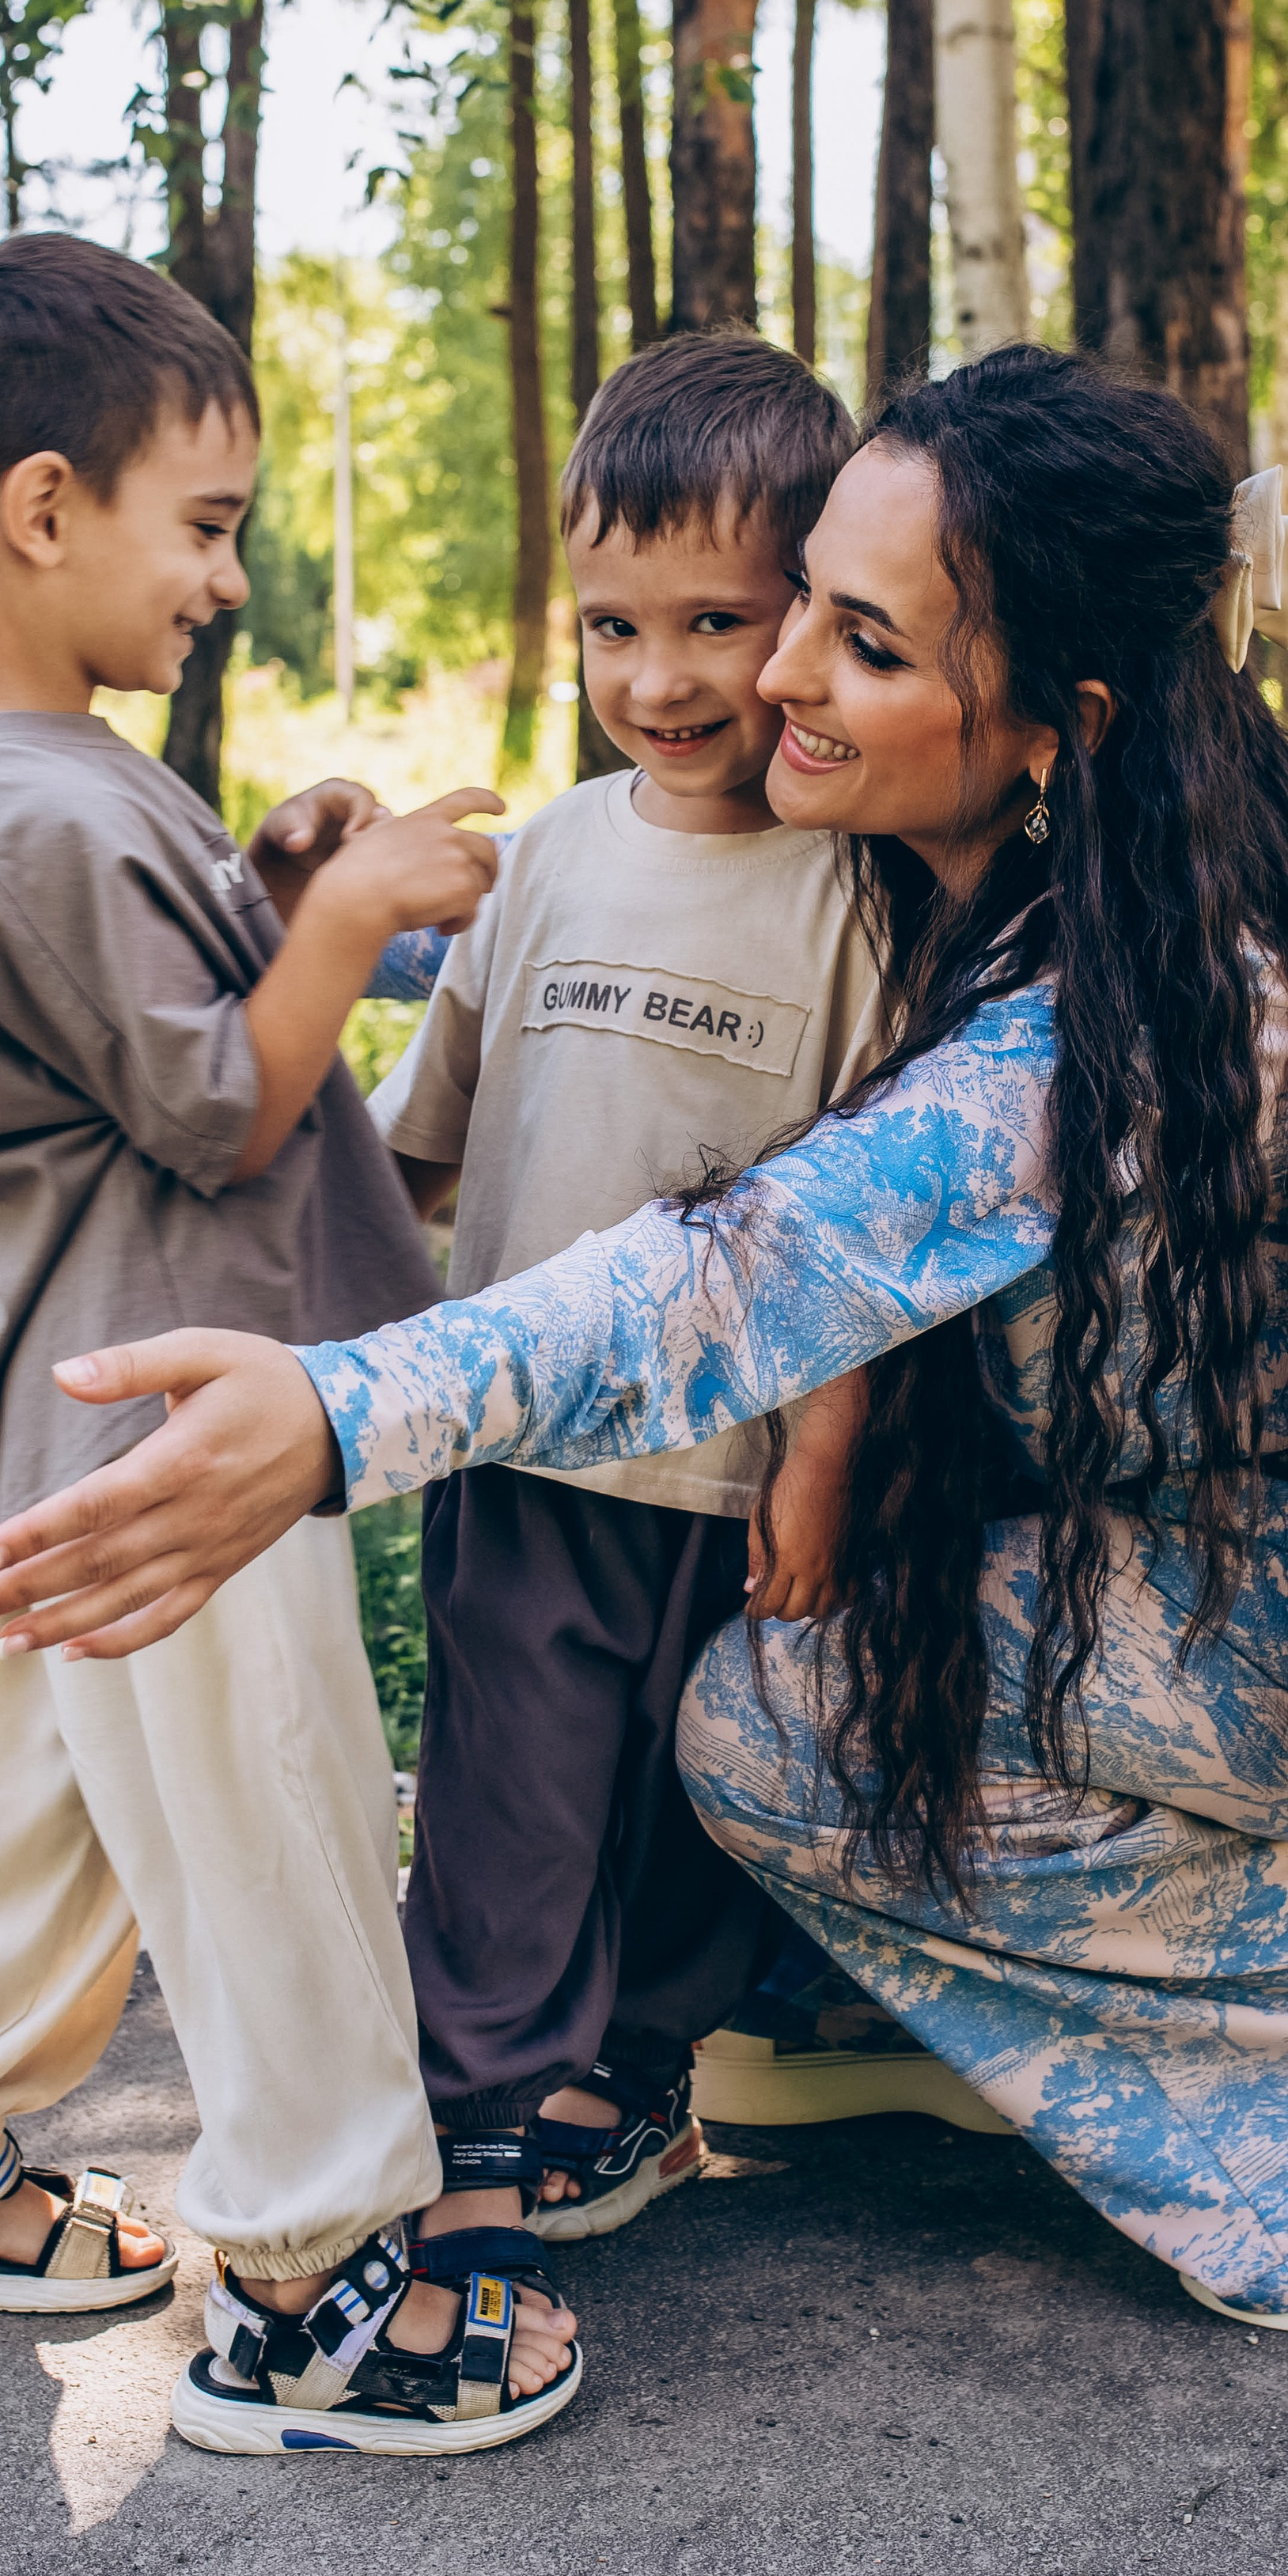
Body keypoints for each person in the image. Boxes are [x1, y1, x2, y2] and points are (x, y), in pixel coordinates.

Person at [0, 344, 1288, 2341]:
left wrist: (333, 1418)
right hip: (1172, 1527)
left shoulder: (1136, 1017)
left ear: (1050, 725)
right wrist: (114, 908)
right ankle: (871, 2005)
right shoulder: (946, 859)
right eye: (803, 607)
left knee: (784, 1728)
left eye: (856, 643)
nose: (765, 684)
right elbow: (584, 935)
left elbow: (734, 1278)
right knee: (786, 1696)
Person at [0, 231, 582, 2455]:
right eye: (205, 526)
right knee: (272, 1832)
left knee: (38, 1821)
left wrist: (277, 862)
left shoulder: (33, 783)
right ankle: (321, 2298)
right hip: (190, 1425)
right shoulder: (32, 799)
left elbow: (137, 1005)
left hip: (76, 1420)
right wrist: (346, 912)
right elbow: (219, 1097)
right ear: (46, 511)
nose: (225, 579)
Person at [369, 334, 885, 2267]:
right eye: (608, 626)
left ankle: (645, 2072)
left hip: (736, 1471)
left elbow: (866, 1223)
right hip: (522, 1454)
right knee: (508, 1798)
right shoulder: (548, 861)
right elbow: (414, 1147)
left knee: (693, 1799)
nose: (657, 679)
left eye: (712, 623)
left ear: (808, 622)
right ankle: (472, 2139)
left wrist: (817, 1454)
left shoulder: (857, 892)